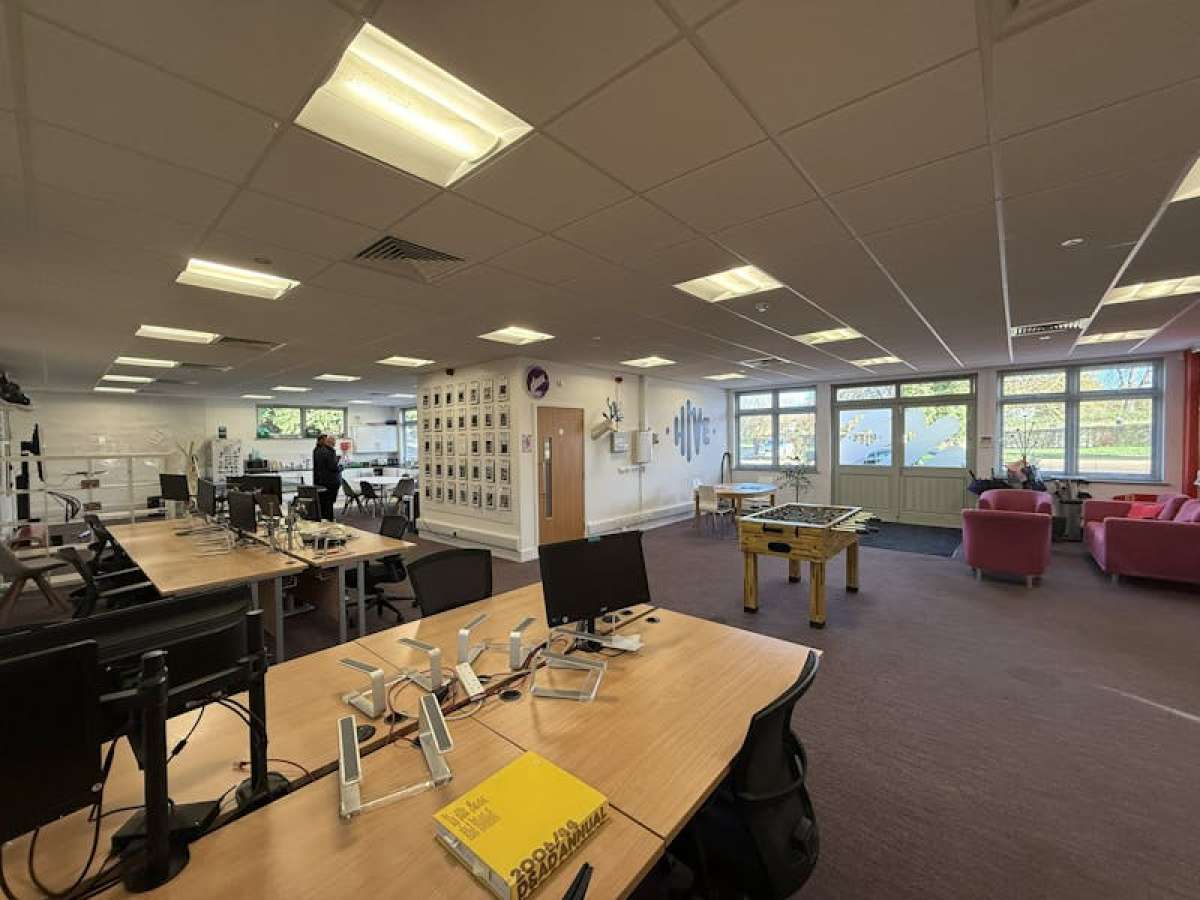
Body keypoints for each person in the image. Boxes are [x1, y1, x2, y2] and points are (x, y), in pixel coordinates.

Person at [312, 433, 341, 520]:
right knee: (329, 503)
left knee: (323, 503)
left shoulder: (317, 450)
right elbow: (333, 467)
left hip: (320, 481)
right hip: (330, 482)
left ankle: (324, 519)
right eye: (334, 442)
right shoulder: (330, 451)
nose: (335, 444)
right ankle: (329, 520)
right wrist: (341, 467)